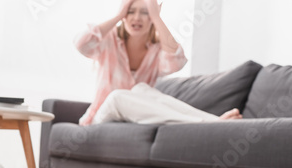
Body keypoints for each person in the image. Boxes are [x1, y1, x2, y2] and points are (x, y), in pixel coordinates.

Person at [75, 0, 242, 126]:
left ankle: (217, 122)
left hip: (133, 121)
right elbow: (82, 43)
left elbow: (178, 61)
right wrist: (118, 15)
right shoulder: (109, 41)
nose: (137, 18)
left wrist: (156, 16)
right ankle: (208, 125)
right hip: (99, 120)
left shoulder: (155, 52)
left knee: (141, 89)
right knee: (118, 96)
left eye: (145, 13)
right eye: (131, 12)